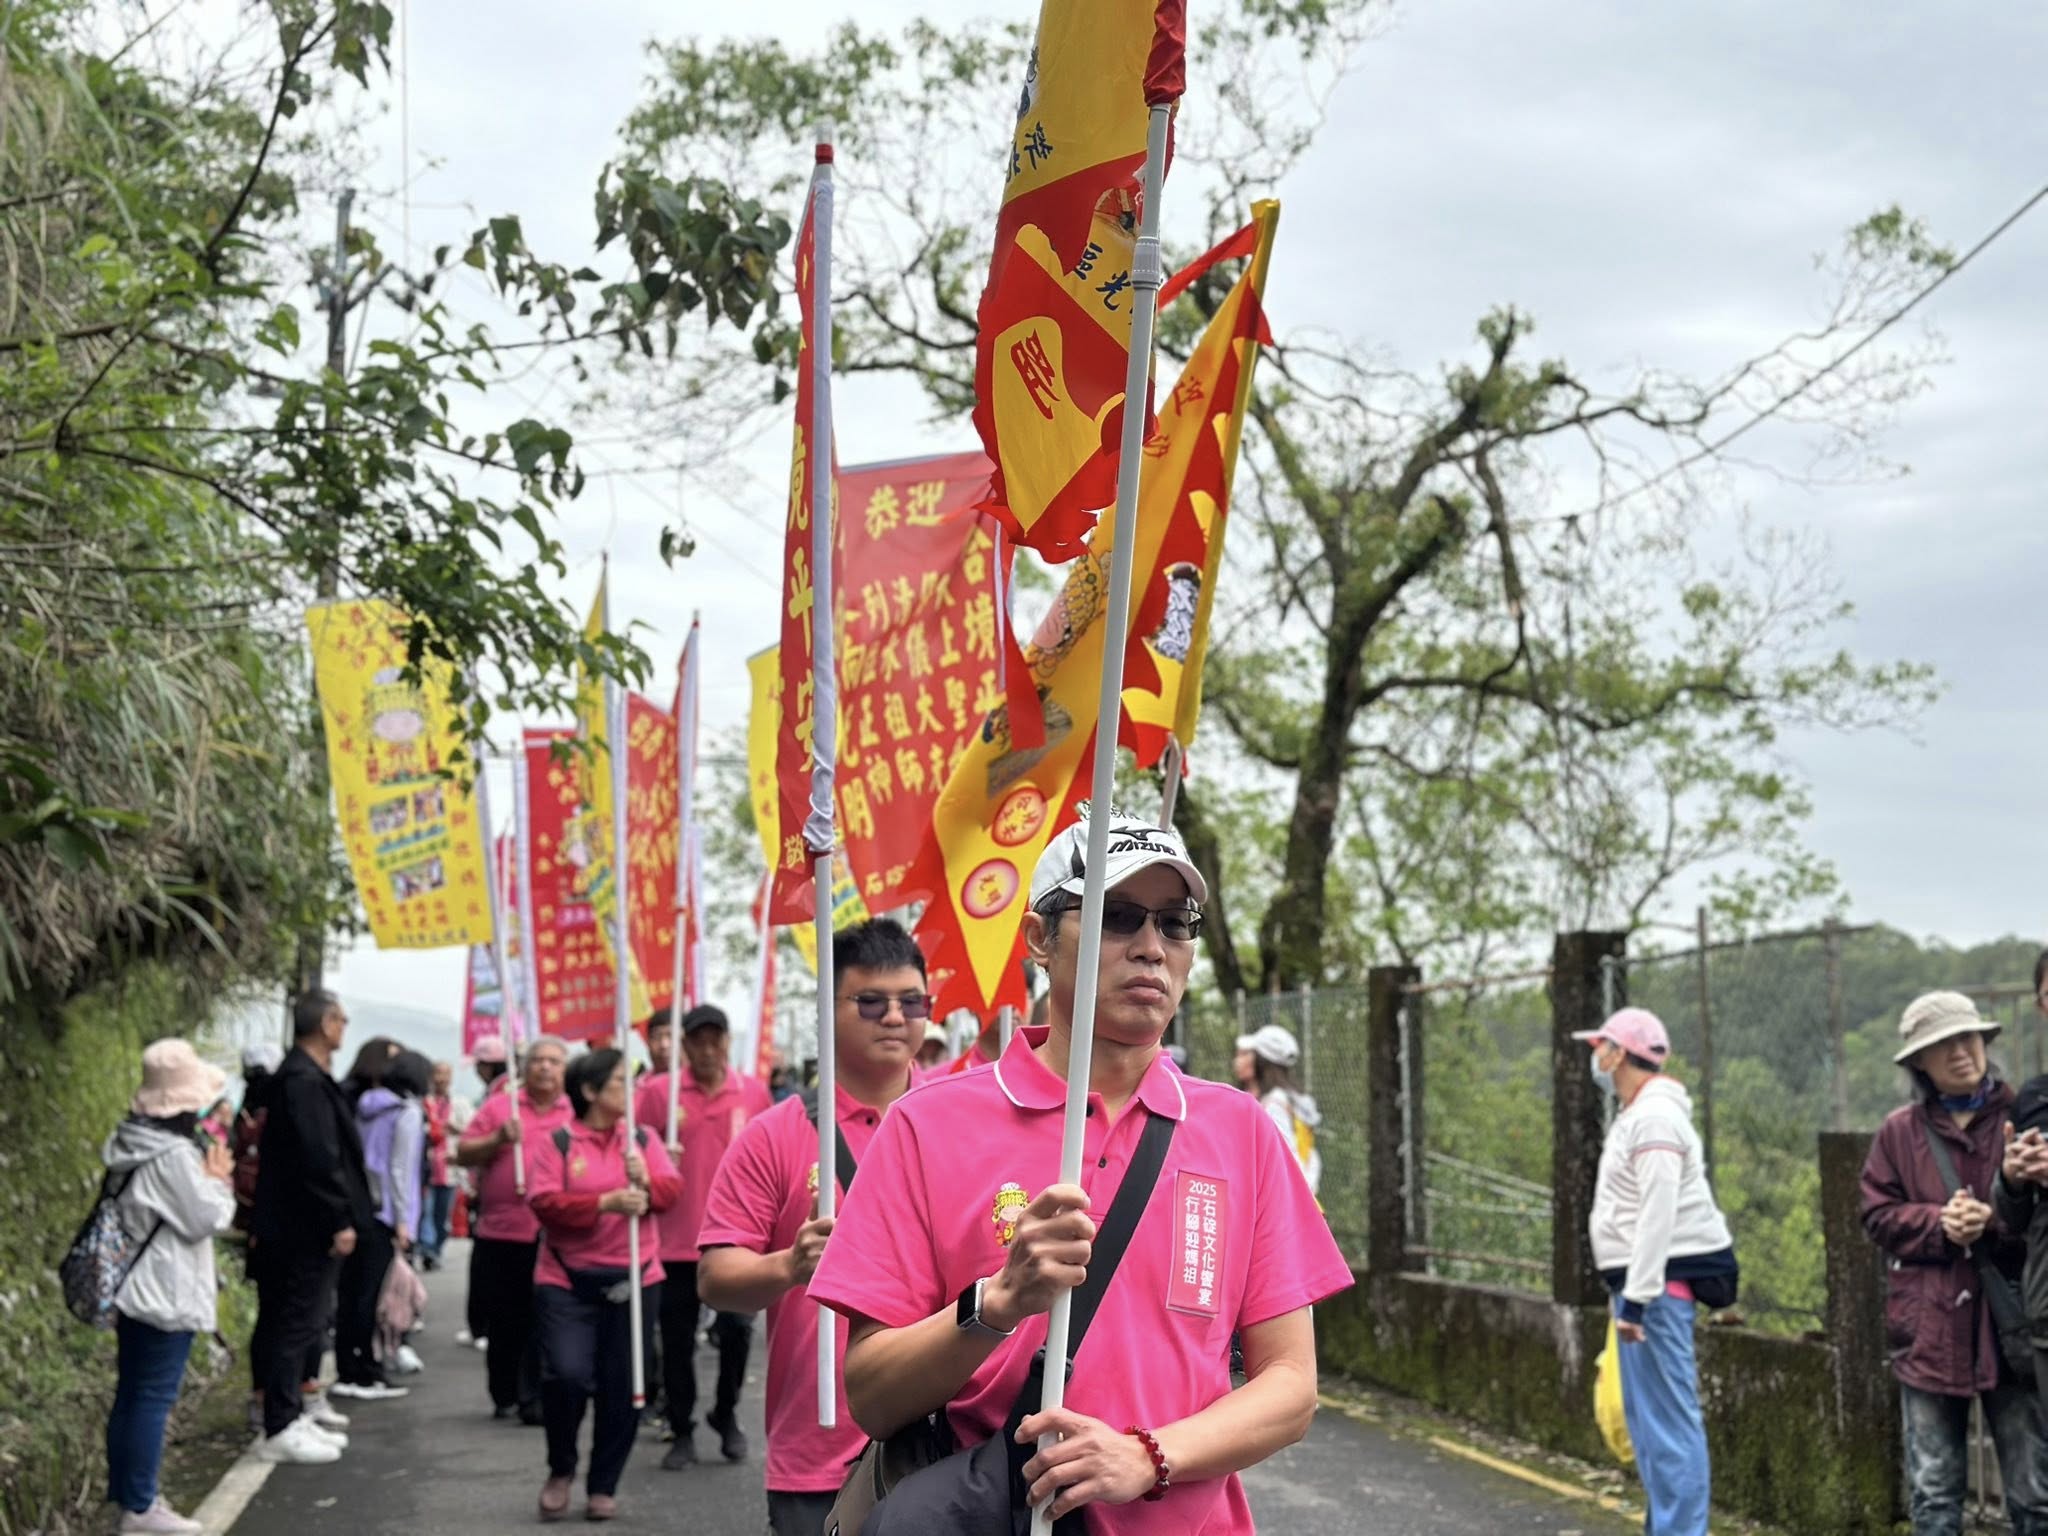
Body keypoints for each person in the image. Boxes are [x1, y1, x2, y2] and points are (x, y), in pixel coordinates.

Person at [809, 812, 1353, 1531]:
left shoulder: (1240, 1131)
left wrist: (1149, 1456)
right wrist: (996, 1302)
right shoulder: (927, 1125)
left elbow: (1290, 1387)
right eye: (1117, 916)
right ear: (1040, 937)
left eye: (1175, 922)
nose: (1152, 948)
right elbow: (873, 1398)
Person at [697, 918, 925, 1535]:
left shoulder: (959, 1122)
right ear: (829, 1011)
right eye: (871, 1001)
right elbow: (716, 1277)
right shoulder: (775, 1135)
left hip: (942, 1436)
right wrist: (789, 1267)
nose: (894, 1017)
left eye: (912, 1001)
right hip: (818, 1446)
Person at [1863, 991, 2048, 1536]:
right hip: (1928, 1330)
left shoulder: (2023, 1113)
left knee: (2035, 1497)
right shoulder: (1899, 1132)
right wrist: (1935, 1223)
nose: (1961, 1052)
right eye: (1942, 1045)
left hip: (2011, 1327)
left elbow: (2038, 1216)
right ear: (1919, 1061)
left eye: (1968, 1038)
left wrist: (1993, 1215)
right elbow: (1876, 1213)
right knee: (1934, 1495)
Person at [1575, 1007, 1735, 1536]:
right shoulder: (1643, 1114)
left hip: (1656, 1295)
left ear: (1618, 1053)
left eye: (1601, 1047)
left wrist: (1638, 1298)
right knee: (1651, 1430)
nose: (1595, 1057)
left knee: (1667, 1429)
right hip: (1646, 1292)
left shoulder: (1655, 1118)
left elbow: (1657, 1212)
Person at [527, 1048, 680, 1521]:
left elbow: (672, 1191)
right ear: (590, 1091)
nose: (629, 1090)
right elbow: (544, 1202)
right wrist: (605, 1202)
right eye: (618, 1081)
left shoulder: (642, 1138)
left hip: (636, 1277)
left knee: (626, 1385)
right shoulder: (558, 1142)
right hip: (566, 1280)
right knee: (567, 1376)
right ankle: (561, 1467)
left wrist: (649, 1183)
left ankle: (603, 1482)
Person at [101, 1040, 240, 1534]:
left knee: (135, 1394)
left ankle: (129, 1496)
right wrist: (219, 1181)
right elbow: (204, 1218)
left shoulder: (133, 1141)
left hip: (134, 1286)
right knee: (153, 1397)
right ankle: (140, 1507)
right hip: (164, 1292)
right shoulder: (173, 1155)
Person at [635, 1003, 771, 1468]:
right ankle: (682, 1427)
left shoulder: (752, 1094)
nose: (708, 1049)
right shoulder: (657, 1094)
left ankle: (726, 1412)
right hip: (674, 1241)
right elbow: (627, 1149)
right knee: (676, 1342)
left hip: (738, 1240)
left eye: (717, 1039)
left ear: (728, 1042)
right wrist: (654, 1156)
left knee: (736, 1332)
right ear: (686, 1044)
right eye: (699, 1040)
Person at [249, 991, 371, 1465]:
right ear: (323, 1024)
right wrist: (339, 1217)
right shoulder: (301, 1081)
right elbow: (317, 1156)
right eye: (340, 1017)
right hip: (303, 1226)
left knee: (300, 1319)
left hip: (298, 1222)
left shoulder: (305, 1077)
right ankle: (279, 1421)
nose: (344, 1025)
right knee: (295, 1320)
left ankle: (290, 1410)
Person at [457, 1035, 573, 1422]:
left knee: (545, 1317)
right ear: (523, 1067)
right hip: (502, 1232)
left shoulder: (574, 1112)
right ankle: (503, 1391)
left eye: (553, 1062)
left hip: (555, 1234)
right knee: (505, 1318)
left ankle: (533, 1395)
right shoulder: (500, 1108)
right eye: (537, 1060)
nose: (544, 1067)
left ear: (564, 1069)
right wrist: (498, 1138)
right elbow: (462, 1151)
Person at [329, 1041, 414, 1400]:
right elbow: (400, 1168)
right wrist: (403, 1217)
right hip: (381, 1211)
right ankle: (366, 1370)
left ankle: (348, 1365)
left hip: (351, 1205)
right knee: (370, 1294)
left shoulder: (352, 1102)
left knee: (349, 1293)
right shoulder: (403, 1111)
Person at [1232, 1024, 1323, 1199]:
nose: (1238, 1060)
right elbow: (1312, 1157)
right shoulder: (1295, 1099)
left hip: (1285, 1202)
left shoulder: (1274, 1104)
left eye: (1248, 1054)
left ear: (1261, 1060)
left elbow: (1288, 1160)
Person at [418, 1060, 462, 1271]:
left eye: (445, 1074)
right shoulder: (422, 1103)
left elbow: (470, 1131)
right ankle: (427, 1250)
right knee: (425, 1212)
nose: (441, 1078)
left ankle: (436, 1247)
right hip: (426, 1168)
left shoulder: (459, 1104)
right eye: (437, 1073)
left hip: (449, 1169)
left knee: (442, 1215)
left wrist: (457, 1129)